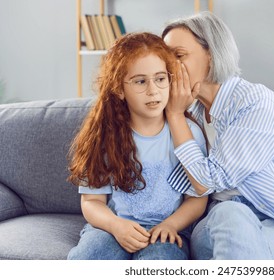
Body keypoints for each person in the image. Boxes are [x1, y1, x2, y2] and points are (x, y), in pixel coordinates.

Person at [162, 12, 274, 260]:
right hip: (216, 225)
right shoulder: (192, 112)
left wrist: (175, 116)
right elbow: (182, 185)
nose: (170, 67)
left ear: (211, 54)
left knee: (232, 218)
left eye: (178, 56)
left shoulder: (256, 102)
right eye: (165, 58)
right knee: (227, 214)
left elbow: (206, 181)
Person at [67, 32, 208, 260]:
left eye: (160, 79)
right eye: (140, 81)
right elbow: (92, 201)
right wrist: (115, 226)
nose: (153, 90)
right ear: (120, 89)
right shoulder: (104, 136)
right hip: (112, 229)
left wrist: (171, 225)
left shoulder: (187, 133)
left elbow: (198, 198)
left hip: (167, 232)